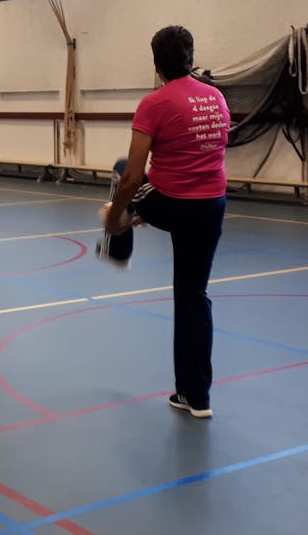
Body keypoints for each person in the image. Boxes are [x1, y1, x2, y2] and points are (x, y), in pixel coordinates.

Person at [102, 26, 230, 419]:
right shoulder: (216, 97)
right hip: (212, 204)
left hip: (172, 201)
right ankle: (196, 396)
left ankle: (117, 246)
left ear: (156, 65)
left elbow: (132, 176)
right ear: (191, 59)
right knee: (194, 296)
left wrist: (115, 218)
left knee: (120, 170)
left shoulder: (154, 103)